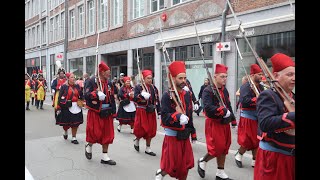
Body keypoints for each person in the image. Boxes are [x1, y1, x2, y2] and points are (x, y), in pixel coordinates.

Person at [254, 53, 295, 180]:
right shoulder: (268, 95)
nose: (294, 78)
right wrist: (292, 116)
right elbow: (265, 123)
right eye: (289, 74)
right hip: (274, 158)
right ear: (276, 76)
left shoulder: (292, 95)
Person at [155, 61, 194, 180]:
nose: (183, 80)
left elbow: (190, 114)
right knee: (171, 165)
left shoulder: (187, 94)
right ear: (173, 78)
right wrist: (177, 117)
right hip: (172, 136)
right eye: (180, 78)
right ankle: (161, 173)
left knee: (186, 165)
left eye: (185, 78)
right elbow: (165, 117)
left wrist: (193, 132)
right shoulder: (168, 95)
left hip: (185, 135)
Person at [197, 64, 237, 180]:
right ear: (215, 77)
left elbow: (228, 105)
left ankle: (220, 172)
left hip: (225, 122)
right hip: (214, 123)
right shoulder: (208, 90)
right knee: (216, 148)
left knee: (224, 147)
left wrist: (233, 120)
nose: (225, 79)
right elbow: (208, 108)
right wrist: (222, 110)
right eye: (222, 76)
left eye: (226, 77)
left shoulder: (225, 91)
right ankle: (203, 160)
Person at [84, 61, 117, 165]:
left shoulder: (110, 83)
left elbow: (112, 97)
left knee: (107, 134)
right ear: (102, 72)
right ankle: (89, 145)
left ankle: (105, 156)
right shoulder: (91, 81)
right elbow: (86, 94)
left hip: (107, 112)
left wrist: (114, 112)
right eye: (108, 71)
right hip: (95, 112)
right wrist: (96, 94)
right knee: (94, 133)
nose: (109, 74)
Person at [234, 64, 264, 168]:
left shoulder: (261, 87)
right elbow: (244, 101)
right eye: (259, 74)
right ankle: (239, 154)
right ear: (253, 75)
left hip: (258, 116)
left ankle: (255, 159)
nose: (261, 76)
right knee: (247, 140)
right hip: (247, 116)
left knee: (257, 139)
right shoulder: (245, 86)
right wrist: (258, 99)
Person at [133, 69, 161, 156]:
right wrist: (141, 96)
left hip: (151, 111)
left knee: (151, 130)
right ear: (144, 79)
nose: (150, 80)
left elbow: (157, 100)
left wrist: (159, 111)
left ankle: (148, 148)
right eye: (148, 78)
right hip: (141, 111)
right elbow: (134, 98)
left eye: (151, 78)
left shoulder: (154, 88)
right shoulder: (139, 87)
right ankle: (137, 140)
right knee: (141, 129)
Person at [56, 72, 84, 144]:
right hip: (67, 106)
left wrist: (82, 101)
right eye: (72, 77)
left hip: (77, 106)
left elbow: (81, 95)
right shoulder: (64, 87)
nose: (73, 78)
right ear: (68, 79)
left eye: (74, 77)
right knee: (66, 123)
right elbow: (60, 98)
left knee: (75, 123)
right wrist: (66, 103)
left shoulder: (77, 86)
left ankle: (74, 137)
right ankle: (65, 131)